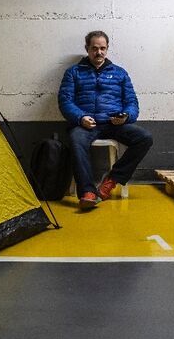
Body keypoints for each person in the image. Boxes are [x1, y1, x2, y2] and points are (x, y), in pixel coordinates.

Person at [58, 31, 153, 210]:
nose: (99, 52)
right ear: (87, 49)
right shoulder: (73, 72)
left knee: (145, 138)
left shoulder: (120, 73)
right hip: (85, 124)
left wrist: (126, 117)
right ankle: (88, 193)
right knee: (76, 139)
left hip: (113, 124)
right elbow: (65, 102)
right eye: (94, 48)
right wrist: (80, 117)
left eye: (103, 48)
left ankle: (111, 181)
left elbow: (132, 102)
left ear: (107, 49)